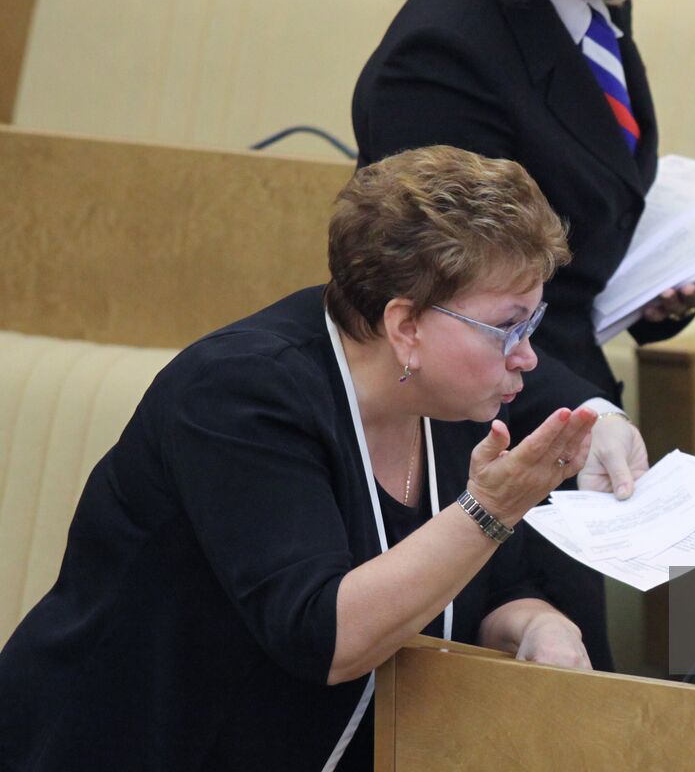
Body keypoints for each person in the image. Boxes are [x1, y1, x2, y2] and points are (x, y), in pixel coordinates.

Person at [0, 146, 599, 772]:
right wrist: (490, 509)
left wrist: (537, 627)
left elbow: (496, 588)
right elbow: (323, 636)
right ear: (406, 327)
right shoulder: (237, 393)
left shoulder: (449, 404)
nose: (527, 356)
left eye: (534, 324)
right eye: (508, 328)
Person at [352, 0, 695, 666]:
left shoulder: (589, 0)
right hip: (477, 440)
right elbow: (445, 302)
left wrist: (663, 288)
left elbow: (570, 248)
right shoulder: (444, 48)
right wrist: (584, 409)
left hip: (557, 410)